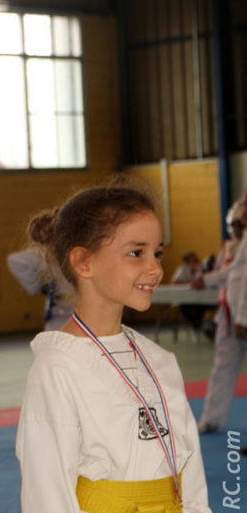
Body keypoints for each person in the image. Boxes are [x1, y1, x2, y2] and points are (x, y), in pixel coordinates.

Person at [16, 183, 211, 512]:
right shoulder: (58, 367)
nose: (155, 268)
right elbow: (47, 493)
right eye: (137, 253)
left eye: (157, 253)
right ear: (83, 262)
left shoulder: (159, 360)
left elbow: (191, 477)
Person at [193, 195, 247, 434]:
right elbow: (232, 272)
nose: (236, 228)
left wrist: (243, 317)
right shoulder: (236, 245)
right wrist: (206, 280)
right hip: (228, 316)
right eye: (234, 224)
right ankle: (212, 418)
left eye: (240, 224)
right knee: (222, 368)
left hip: (242, 318)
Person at [7, 244, 74, 332]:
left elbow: (16, 260)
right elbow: (15, 260)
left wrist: (40, 287)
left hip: (75, 308)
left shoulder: (48, 251)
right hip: (63, 309)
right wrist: (41, 287)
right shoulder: (48, 251)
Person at [170, 251, 213, 334]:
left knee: (200, 306)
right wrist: (192, 283)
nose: (195, 262)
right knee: (183, 307)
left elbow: (206, 281)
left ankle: (197, 327)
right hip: (186, 299)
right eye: (193, 260)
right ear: (188, 262)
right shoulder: (182, 269)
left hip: (200, 298)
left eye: (196, 260)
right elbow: (175, 282)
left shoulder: (202, 269)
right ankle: (197, 326)